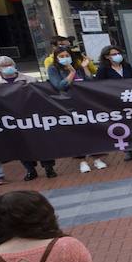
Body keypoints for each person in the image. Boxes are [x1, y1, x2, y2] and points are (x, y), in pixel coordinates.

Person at [0, 57, 56, 180]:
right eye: (4, 66)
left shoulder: (29, 79)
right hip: (11, 119)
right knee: (21, 145)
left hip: (31, 117)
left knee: (42, 143)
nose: (8, 67)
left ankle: (48, 167)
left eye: (9, 64)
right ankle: (30, 170)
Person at [47, 44, 106, 172]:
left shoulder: (78, 66)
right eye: (61, 56)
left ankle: (96, 158)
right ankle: (82, 161)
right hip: (68, 105)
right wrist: (71, 73)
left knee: (91, 131)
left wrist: (84, 68)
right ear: (56, 58)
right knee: (77, 133)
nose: (65, 58)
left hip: (84, 103)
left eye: (67, 55)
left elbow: (90, 82)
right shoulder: (53, 69)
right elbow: (60, 86)